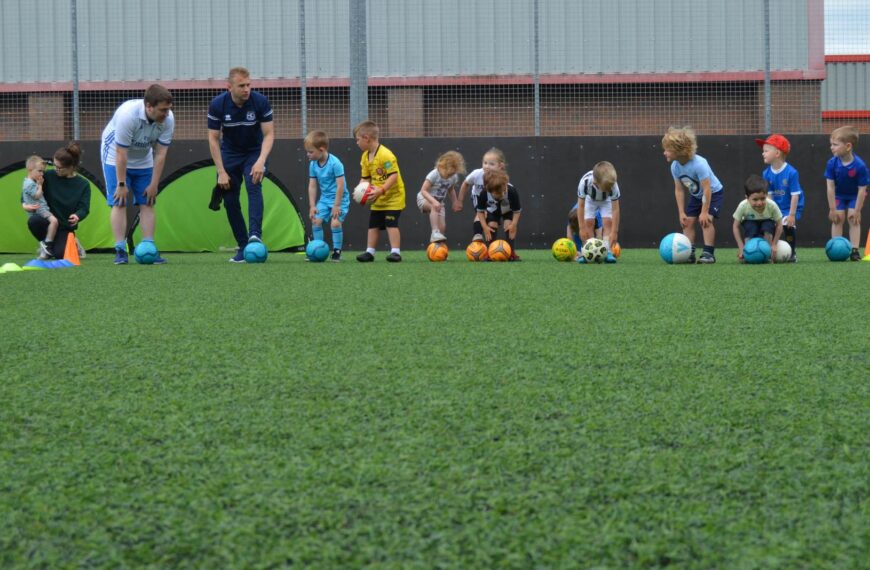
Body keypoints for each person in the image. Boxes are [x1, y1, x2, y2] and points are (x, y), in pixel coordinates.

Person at [101, 83, 174, 265]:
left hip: (143, 158)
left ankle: (149, 247)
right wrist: (121, 184)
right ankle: (120, 250)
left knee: (148, 201)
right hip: (114, 156)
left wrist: (154, 184)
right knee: (119, 201)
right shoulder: (128, 116)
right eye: (162, 110)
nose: (166, 114)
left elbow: (161, 154)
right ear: (148, 106)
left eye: (168, 109)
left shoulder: (168, 119)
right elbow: (121, 153)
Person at [208, 67, 275, 263]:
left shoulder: (260, 101)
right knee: (229, 199)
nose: (247, 89)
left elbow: (269, 134)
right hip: (230, 154)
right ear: (229, 87)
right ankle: (243, 246)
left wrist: (261, 161)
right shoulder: (218, 104)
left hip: (254, 152)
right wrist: (221, 171)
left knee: (254, 185)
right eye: (241, 86)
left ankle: (255, 237)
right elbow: (213, 139)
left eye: (249, 85)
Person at [662, 126, 724, 264]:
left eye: (667, 149)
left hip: (713, 193)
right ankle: (688, 252)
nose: (664, 153)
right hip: (697, 196)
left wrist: (704, 212)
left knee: (705, 221)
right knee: (687, 223)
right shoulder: (675, 167)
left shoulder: (699, 164)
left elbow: (707, 189)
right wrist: (681, 212)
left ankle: (708, 253)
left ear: (679, 150)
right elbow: (679, 190)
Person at [23, 143, 90, 260]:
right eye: (54, 165)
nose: (55, 169)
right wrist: (24, 205)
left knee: (60, 254)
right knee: (34, 221)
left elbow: (84, 208)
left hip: (64, 226)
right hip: (48, 221)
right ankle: (47, 246)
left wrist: (77, 216)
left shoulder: (83, 184)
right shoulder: (47, 176)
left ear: (71, 167)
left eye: (59, 168)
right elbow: (28, 191)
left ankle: (73, 242)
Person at [353, 120, 406, 262]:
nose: (357, 143)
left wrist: (381, 190)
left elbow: (393, 176)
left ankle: (395, 252)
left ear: (366, 138)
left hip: (393, 197)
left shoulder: (386, 155)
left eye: (358, 139)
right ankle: (369, 252)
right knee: (373, 224)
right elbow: (365, 178)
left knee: (390, 223)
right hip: (377, 197)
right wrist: (360, 191)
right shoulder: (365, 157)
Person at [757, 134, 802, 262]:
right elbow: (769, 196)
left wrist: (792, 215)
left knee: (788, 225)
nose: (763, 153)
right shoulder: (766, 173)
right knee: (768, 226)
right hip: (776, 207)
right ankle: (769, 253)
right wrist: (771, 213)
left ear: (777, 153)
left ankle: (792, 253)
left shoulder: (792, 172)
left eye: (766, 151)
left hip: (791, 207)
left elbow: (795, 195)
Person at [825, 125, 868, 261]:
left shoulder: (860, 166)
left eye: (835, 144)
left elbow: (862, 190)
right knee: (838, 218)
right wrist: (832, 209)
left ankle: (854, 250)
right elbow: (830, 187)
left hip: (855, 196)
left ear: (848, 146)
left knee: (852, 218)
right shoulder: (832, 163)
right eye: (831, 144)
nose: (831, 147)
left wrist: (858, 210)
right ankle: (835, 248)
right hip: (839, 196)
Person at [305, 130, 347, 261]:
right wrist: (312, 206)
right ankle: (317, 249)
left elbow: (341, 186)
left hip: (340, 199)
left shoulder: (335, 163)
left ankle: (337, 251)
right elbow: (312, 185)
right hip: (324, 199)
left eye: (310, 152)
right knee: (316, 221)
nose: (308, 155)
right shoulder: (313, 164)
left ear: (321, 149)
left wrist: (337, 205)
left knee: (335, 223)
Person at [454, 148, 507, 242]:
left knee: (493, 223)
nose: (487, 166)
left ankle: (492, 245)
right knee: (483, 213)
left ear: (500, 166)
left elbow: (505, 194)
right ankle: (477, 235)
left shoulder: (501, 178)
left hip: (494, 201)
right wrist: (460, 201)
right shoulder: (477, 174)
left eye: (491, 164)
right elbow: (465, 183)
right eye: (485, 163)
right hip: (478, 197)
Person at [576, 161, 620, 263]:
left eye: (610, 187)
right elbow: (581, 206)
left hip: (606, 200)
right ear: (595, 183)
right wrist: (581, 228)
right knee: (588, 223)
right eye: (606, 188)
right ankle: (588, 253)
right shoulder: (585, 182)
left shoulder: (613, 185)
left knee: (608, 223)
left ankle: (607, 251)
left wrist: (614, 232)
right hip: (590, 200)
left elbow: (615, 209)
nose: (609, 189)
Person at [417, 150, 466, 243]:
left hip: (439, 203)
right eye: (448, 174)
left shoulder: (453, 177)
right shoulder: (434, 174)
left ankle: (439, 247)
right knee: (434, 207)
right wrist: (433, 202)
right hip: (424, 199)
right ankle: (434, 232)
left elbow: (451, 189)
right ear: (442, 166)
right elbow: (423, 190)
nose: (449, 176)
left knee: (442, 227)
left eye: (452, 174)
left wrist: (455, 202)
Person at [733, 175, 783, 262]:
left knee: (767, 225)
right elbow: (735, 226)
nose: (759, 203)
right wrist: (741, 247)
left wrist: (774, 244)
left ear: (766, 195)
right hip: (750, 223)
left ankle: (768, 252)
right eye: (755, 199)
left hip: (767, 223)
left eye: (763, 198)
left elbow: (779, 225)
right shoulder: (743, 206)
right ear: (747, 198)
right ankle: (747, 252)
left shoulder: (772, 205)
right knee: (750, 226)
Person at [476, 169, 522, 260]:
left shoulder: (512, 191)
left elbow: (517, 211)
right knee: (491, 225)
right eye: (498, 193)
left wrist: (514, 225)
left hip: (508, 210)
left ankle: (511, 253)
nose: (502, 194)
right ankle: (490, 253)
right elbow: (480, 211)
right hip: (493, 210)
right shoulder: (484, 193)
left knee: (509, 225)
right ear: (489, 190)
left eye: (504, 190)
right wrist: (485, 227)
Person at [21, 155, 58, 259]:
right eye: (39, 171)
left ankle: (46, 245)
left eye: (43, 171)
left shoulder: (28, 181)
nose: (42, 174)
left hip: (40, 209)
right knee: (54, 221)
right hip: (40, 209)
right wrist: (40, 185)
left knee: (53, 223)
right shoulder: (30, 184)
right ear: (30, 170)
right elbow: (37, 196)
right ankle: (48, 244)